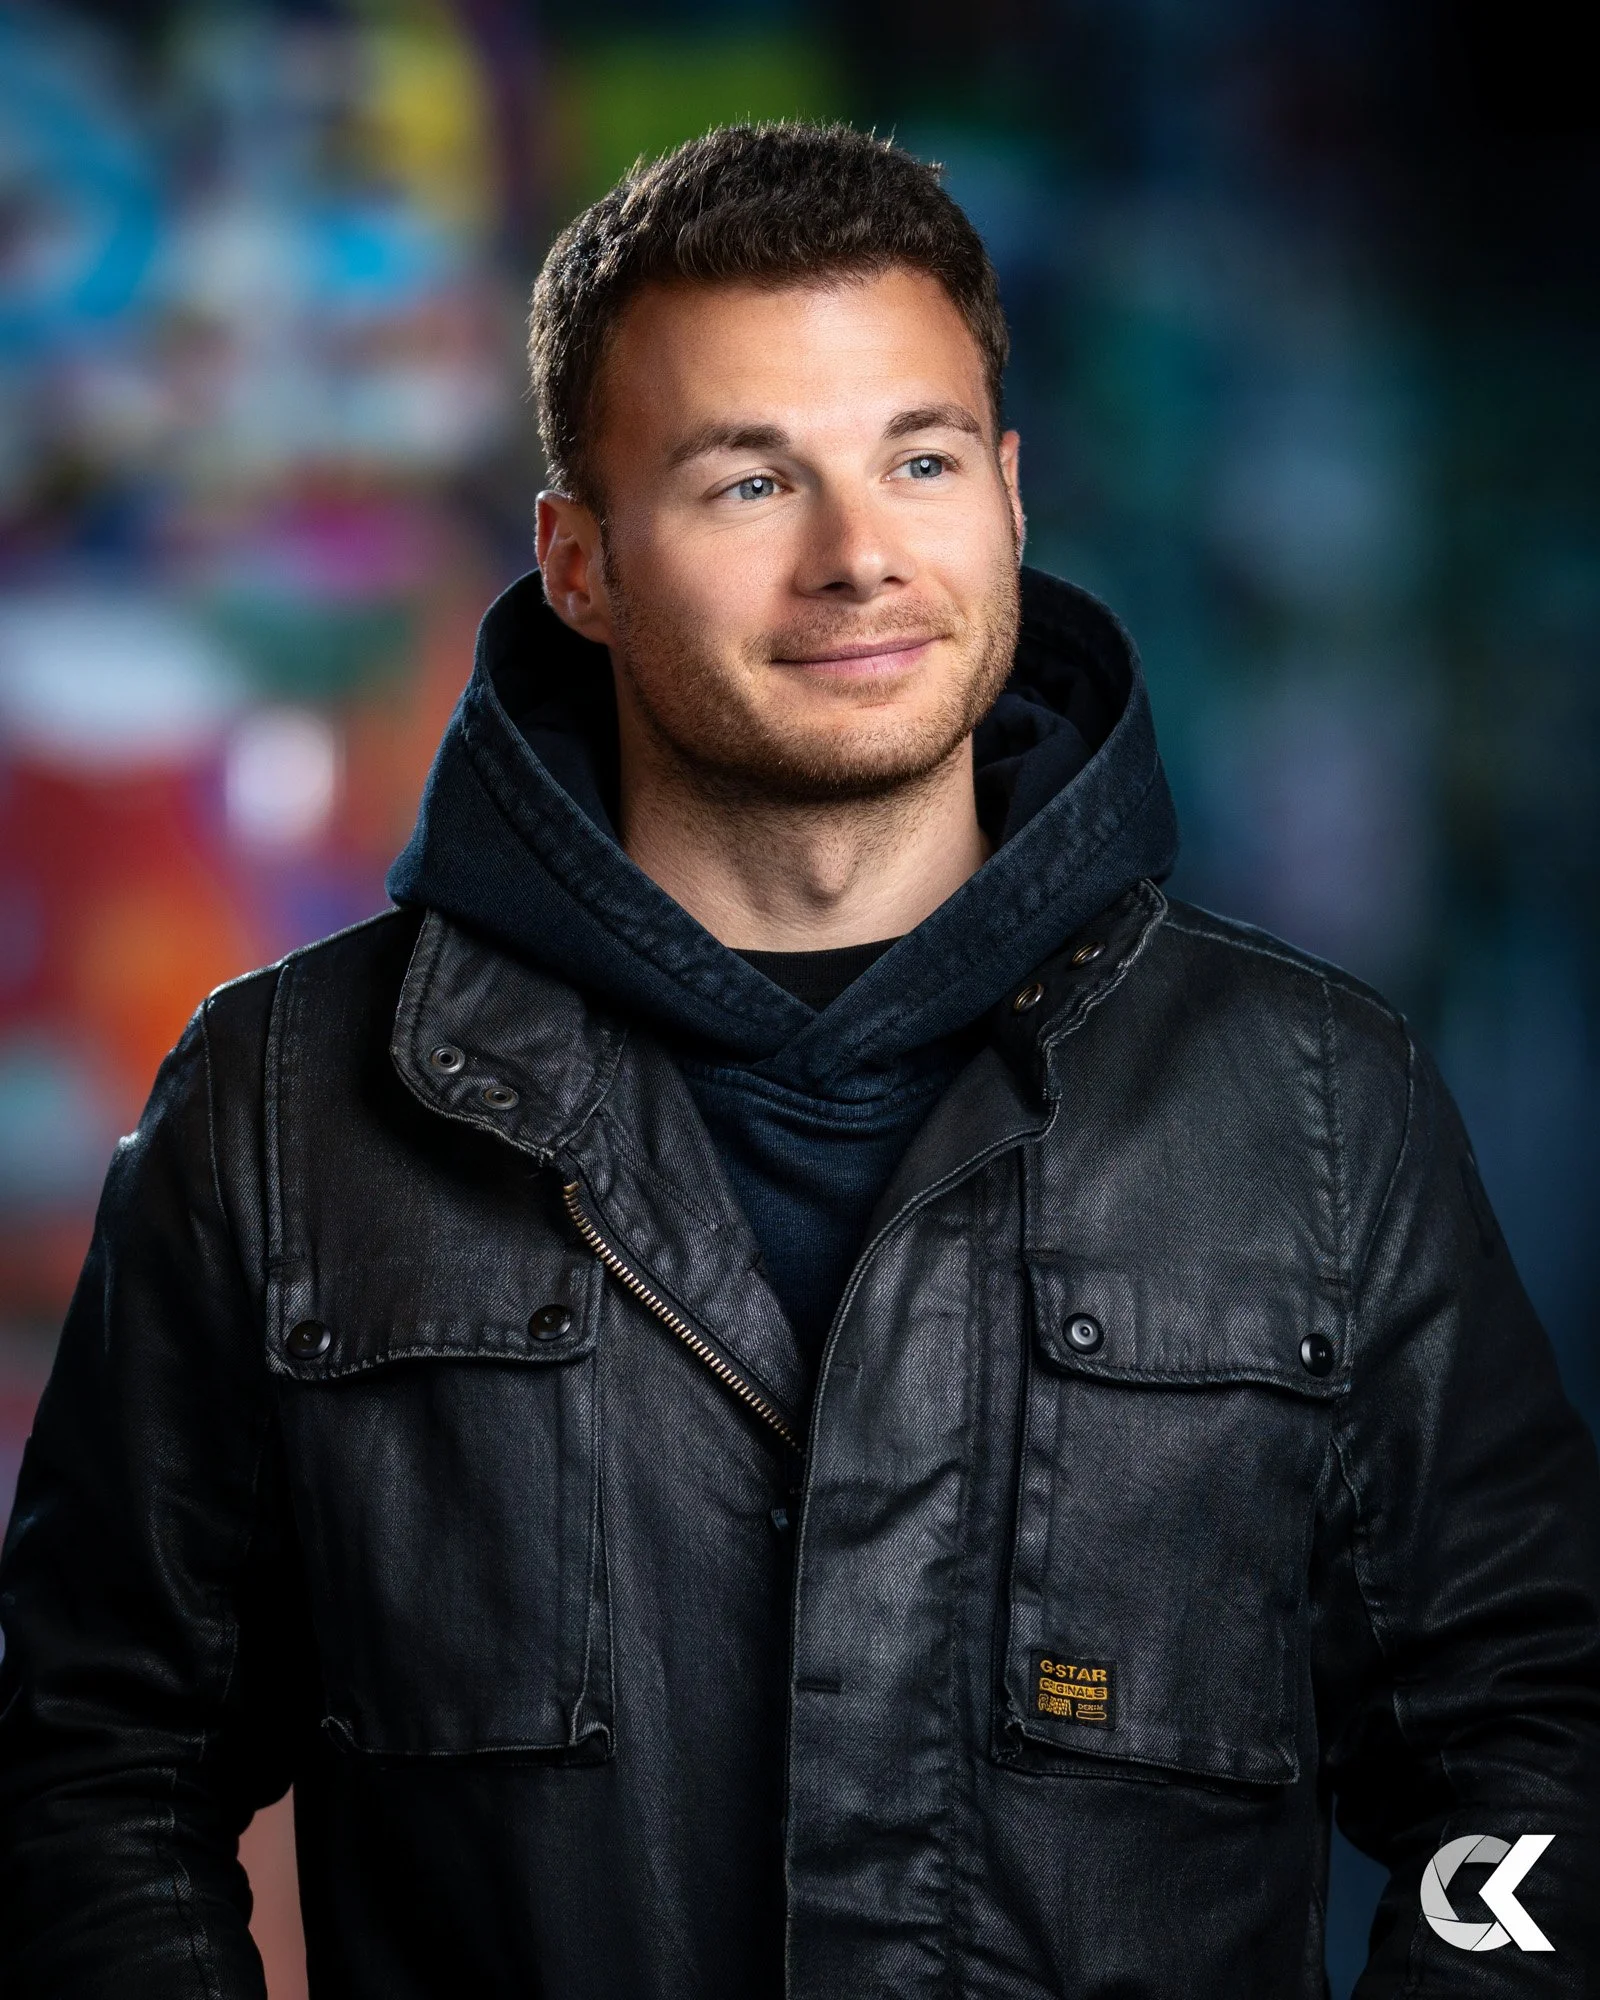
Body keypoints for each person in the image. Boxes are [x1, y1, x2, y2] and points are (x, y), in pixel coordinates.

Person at [0, 121, 1595, 2000]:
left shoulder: (1319, 1105)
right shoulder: (283, 1112)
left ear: (1007, 494)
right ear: (579, 563)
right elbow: (87, 1768)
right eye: (750, 484)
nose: (858, 559)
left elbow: (1539, 1748)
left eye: (917, 461)